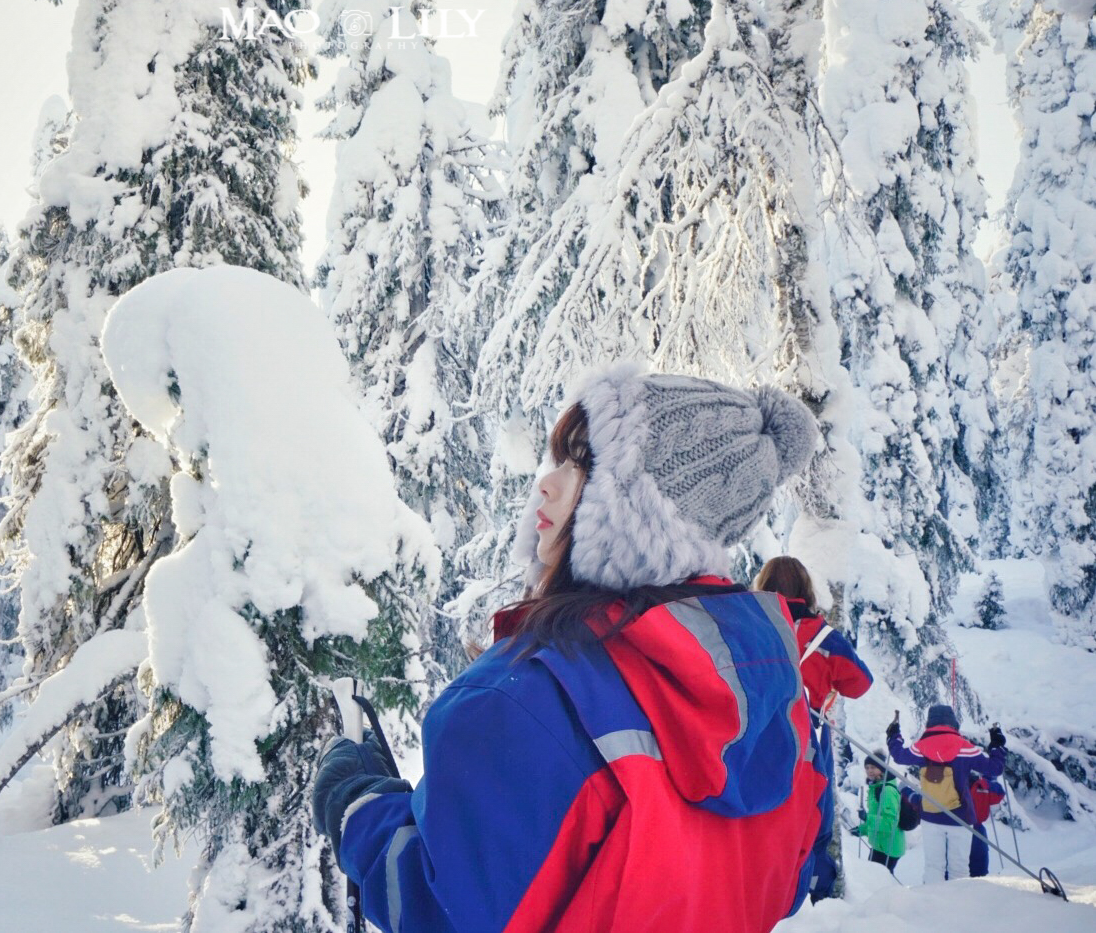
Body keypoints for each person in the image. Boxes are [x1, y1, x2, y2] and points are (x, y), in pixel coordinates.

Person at [311, 365, 826, 932]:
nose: (548, 483)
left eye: (584, 464)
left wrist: (357, 806)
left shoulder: (533, 697)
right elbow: (784, 883)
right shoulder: (778, 706)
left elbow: (443, 909)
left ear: (638, 512)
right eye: (557, 459)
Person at [752, 555, 872, 902]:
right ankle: (819, 899)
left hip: (758, 739)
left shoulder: (753, 625)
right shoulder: (823, 638)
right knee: (816, 823)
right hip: (808, 743)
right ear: (806, 589)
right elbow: (860, 683)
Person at [888, 705, 1007, 884]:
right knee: (958, 869)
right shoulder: (965, 748)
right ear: (953, 722)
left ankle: (933, 905)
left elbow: (899, 756)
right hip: (960, 817)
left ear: (930, 723)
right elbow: (995, 768)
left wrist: (893, 735)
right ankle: (956, 908)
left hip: (930, 816)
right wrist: (997, 746)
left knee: (933, 867)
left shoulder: (920, 748)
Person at [852, 751, 904, 873]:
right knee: (874, 878)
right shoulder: (876, 787)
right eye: (867, 768)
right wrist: (862, 829)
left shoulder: (887, 791)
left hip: (889, 847)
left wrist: (866, 818)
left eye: (873, 767)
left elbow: (889, 824)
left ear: (882, 768)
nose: (869, 771)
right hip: (880, 843)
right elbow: (877, 817)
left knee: (879, 881)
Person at [968, 774, 1007, 878]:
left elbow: (999, 793)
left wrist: (987, 781)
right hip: (957, 829)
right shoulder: (953, 779)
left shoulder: (981, 785)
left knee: (979, 871)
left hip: (976, 829)